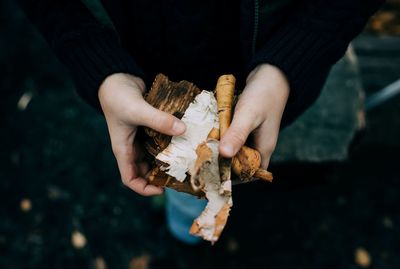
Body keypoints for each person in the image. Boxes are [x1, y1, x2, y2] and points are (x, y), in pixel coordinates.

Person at [18, 0, 383, 244]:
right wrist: (94, 59)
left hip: (266, 71)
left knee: (220, 174)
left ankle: (191, 223)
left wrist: (293, 59)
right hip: (138, 77)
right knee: (179, 180)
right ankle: (185, 227)